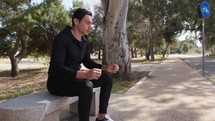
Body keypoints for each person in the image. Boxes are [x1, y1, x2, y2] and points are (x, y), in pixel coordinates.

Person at [47, 8, 119, 121]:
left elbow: (87, 62)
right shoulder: (62, 39)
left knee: (107, 78)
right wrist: (84, 75)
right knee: (86, 86)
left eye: (91, 23)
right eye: (87, 23)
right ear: (76, 21)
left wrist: (106, 68)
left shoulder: (84, 40)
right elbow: (56, 68)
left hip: (75, 80)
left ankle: (101, 117)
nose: (90, 26)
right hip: (57, 82)